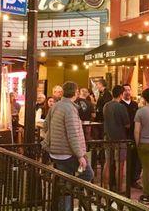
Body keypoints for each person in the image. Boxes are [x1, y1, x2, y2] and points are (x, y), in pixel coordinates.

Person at [43, 81, 93, 211]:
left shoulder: (56, 106)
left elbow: (45, 125)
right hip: (66, 153)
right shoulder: (70, 109)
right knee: (88, 173)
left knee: (65, 181)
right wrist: (81, 155)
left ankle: (65, 201)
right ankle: (70, 192)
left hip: (55, 151)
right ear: (76, 92)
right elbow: (73, 135)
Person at [102, 85, 130, 192]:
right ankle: (119, 188)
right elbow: (127, 124)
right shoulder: (121, 107)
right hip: (120, 138)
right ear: (121, 94)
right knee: (120, 164)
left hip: (107, 136)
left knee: (108, 162)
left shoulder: (106, 106)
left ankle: (105, 186)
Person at [121, 83, 142, 189]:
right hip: (123, 135)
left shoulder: (135, 105)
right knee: (120, 159)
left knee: (135, 158)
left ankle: (133, 179)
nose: (128, 92)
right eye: (125, 90)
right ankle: (117, 180)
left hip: (134, 135)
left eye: (129, 89)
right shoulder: (120, 104)